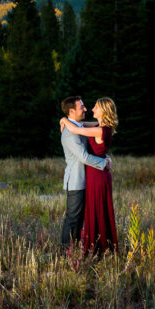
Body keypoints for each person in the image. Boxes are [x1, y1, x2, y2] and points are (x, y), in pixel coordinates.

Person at [63, 97, 119, 254]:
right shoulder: (100, 127)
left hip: (97, 175)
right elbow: (80, 125)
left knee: (97, 210)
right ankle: (99, 245)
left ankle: (98, 248)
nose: (91, 109)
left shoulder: (100, 130)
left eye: (96, 106)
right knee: (95, 210)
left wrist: (64, 120)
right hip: (96, 174)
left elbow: (77, 129)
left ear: (103, 111)